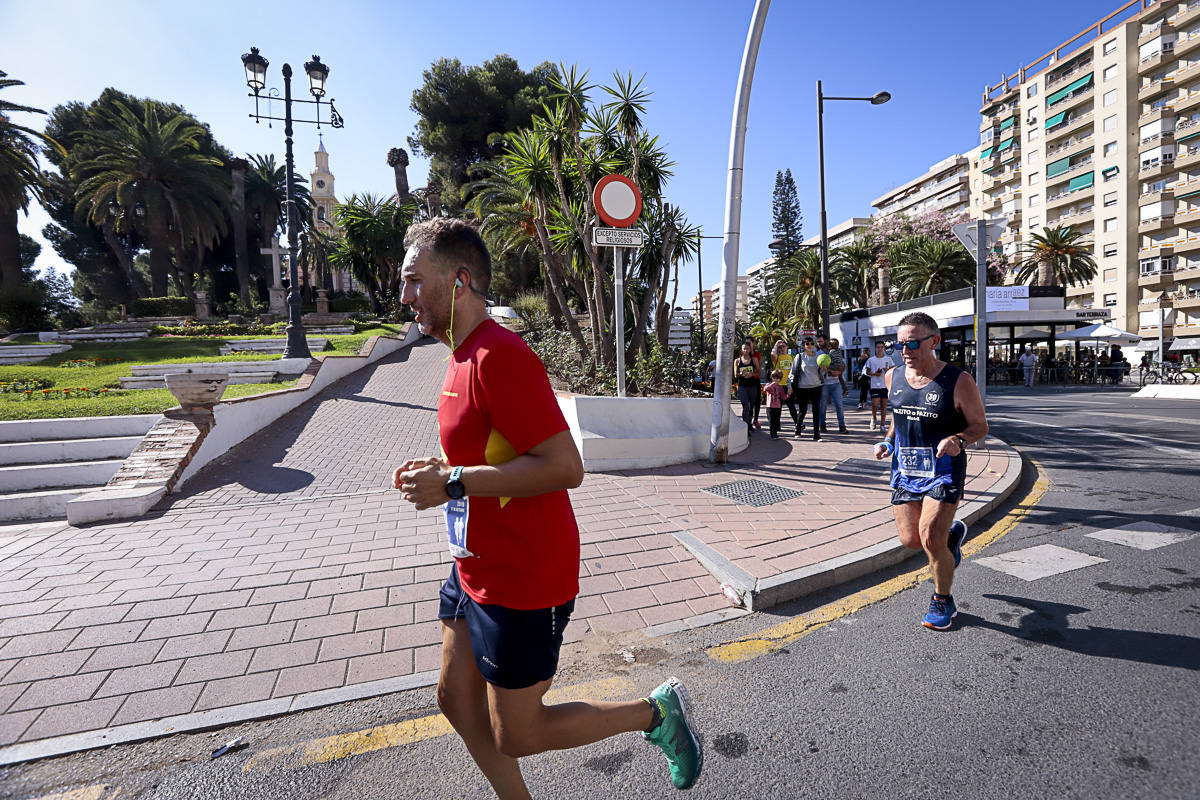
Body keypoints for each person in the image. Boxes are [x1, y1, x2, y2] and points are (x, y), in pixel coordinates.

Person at [394, 218, 702, 797]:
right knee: (454, 697)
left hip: (524, 574)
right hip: (474, 561)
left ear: (459, 281)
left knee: (520, 732)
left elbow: (566, 468)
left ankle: (655, 714)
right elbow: (486, 452)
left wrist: (454, 482)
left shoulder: (499, 357)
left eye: (414, 281)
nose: (405, 295)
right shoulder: (458, 357)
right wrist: (434, 473)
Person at [872, 311, 988, 631]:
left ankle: (942, 600)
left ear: (934, 341)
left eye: (912, 344)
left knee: (929, 537)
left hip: (943, 468)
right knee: (911, 540)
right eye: (899, 345)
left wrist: (958, 439)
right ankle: (950, 540)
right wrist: (887, 441)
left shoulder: (958, 380)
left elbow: (980, 426)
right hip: (906, 468)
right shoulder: (892, 376)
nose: (905, 351)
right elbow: (899, 416)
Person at [789, 338, 825, 441]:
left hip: (816, 386)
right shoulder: (799, 357)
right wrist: (790, 385)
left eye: (811, 344)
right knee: (802, 410)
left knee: (816, 411)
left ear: (814, 345)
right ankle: (798, 430)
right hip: (802, 387)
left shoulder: (819, 357)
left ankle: (816, 434)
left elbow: (822, 373)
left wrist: (824, 369)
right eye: (807, 343)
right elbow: (793, 372)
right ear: (804, 345)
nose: (809, 345)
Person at [818, 337, 848, 434]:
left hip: (835, 383)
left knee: (839, 406)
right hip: (824, 384)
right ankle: (822, 426)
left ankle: (842, 426)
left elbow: (843, 366)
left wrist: (837, 371)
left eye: (830, 346)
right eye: (827, 346)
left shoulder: (834, 354)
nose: (828, 347)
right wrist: (828, 370)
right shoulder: (820, 355)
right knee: (822, 406)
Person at [771, 339, 800, 432]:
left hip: (788, 385)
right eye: (780, 347)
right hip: (778, 386)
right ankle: (777, 426)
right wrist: (776, 345)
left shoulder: (791, 357)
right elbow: (772, 355)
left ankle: (797, 424)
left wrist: (792, 384)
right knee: (777, 408)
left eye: (783, 346)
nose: (782, 348)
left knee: (791, 407)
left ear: (787, 347)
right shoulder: (777, 357)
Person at [865, 341, 892, 431]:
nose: (880, 349)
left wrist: (887, 370)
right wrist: (874, 373)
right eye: (878, 347)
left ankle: (882, 425)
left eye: (881, 347)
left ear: (884, 348)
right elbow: (867, 372)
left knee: (884, 405)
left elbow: (893, 371)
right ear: (875, 348)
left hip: (885, 385)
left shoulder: (888, 359)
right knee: (875, 404)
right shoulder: (871, 360)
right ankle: (873, 418)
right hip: (875, 385)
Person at [735, 341, 760, 434]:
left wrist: (751, 374)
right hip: (742, 387)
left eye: (747, 349)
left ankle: (749, 424)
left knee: (751, 406)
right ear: (741, 350)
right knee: (746, 405)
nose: (745, 350)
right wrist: (741, 374)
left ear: (750, 350)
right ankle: (745, 426)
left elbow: (758, 373)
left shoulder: (754, 360)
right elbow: (735, 375)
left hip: (752, 386)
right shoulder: (737, 361)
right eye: (744, 348)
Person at [743, 336, 764, 430]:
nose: (748, 345)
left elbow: (758, 366)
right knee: (748, 403)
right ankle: (749, 421)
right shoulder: (742, 353)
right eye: (746, 343)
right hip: (746, 381)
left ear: (753, 343)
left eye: (749, 343)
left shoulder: (756, 354)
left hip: (755, 379)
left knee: (757, 401)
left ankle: (756, 419)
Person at [764, 369, 790, 439]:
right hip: (770, 406)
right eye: (774, 377)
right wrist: (772, 384)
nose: (776, 379)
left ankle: (775, 432)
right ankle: (773, 433)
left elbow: (783, 397)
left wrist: (788, 394)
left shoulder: (780, 387)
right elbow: (765, 389)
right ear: (772, 377)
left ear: (780, 379)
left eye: (778, 378)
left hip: (777, 406)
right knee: (771, 420)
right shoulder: (769, 385)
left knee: (776, 420)